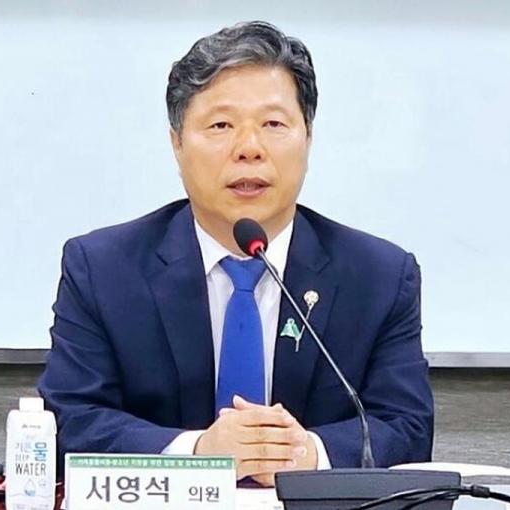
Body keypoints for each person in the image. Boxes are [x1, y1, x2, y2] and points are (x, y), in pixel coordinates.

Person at [38, 21, 433, 486]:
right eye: (221, 126)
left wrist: (306, 453)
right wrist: (199, 454)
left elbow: (407, 429)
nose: (249, 149)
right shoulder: (102, 269)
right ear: (176, 143)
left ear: (308, 138)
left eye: (273, 124)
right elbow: (69, 420)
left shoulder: (379, 277)